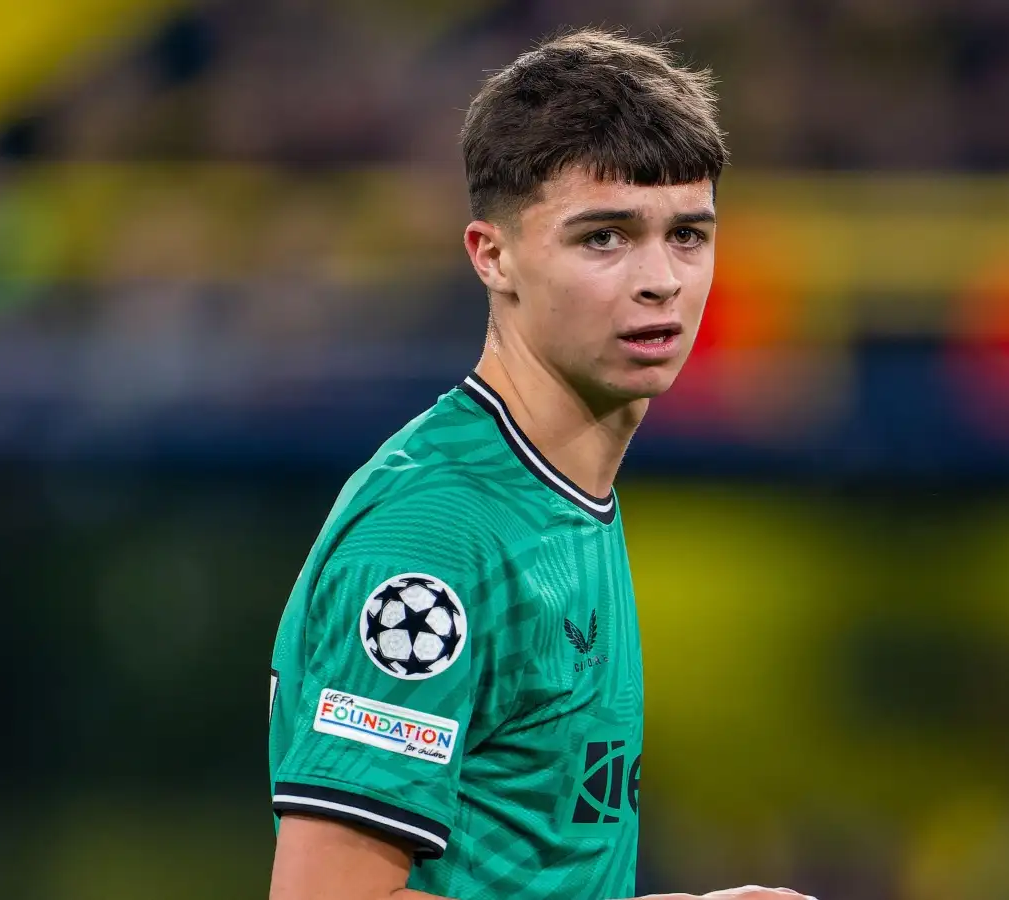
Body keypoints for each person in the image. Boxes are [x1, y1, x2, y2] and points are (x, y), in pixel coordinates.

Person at [266, 28, 815, 900]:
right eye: (604, 238)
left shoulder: (557, 489)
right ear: (493, 256)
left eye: (688, 235)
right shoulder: (437, 538)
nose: (661, 280)